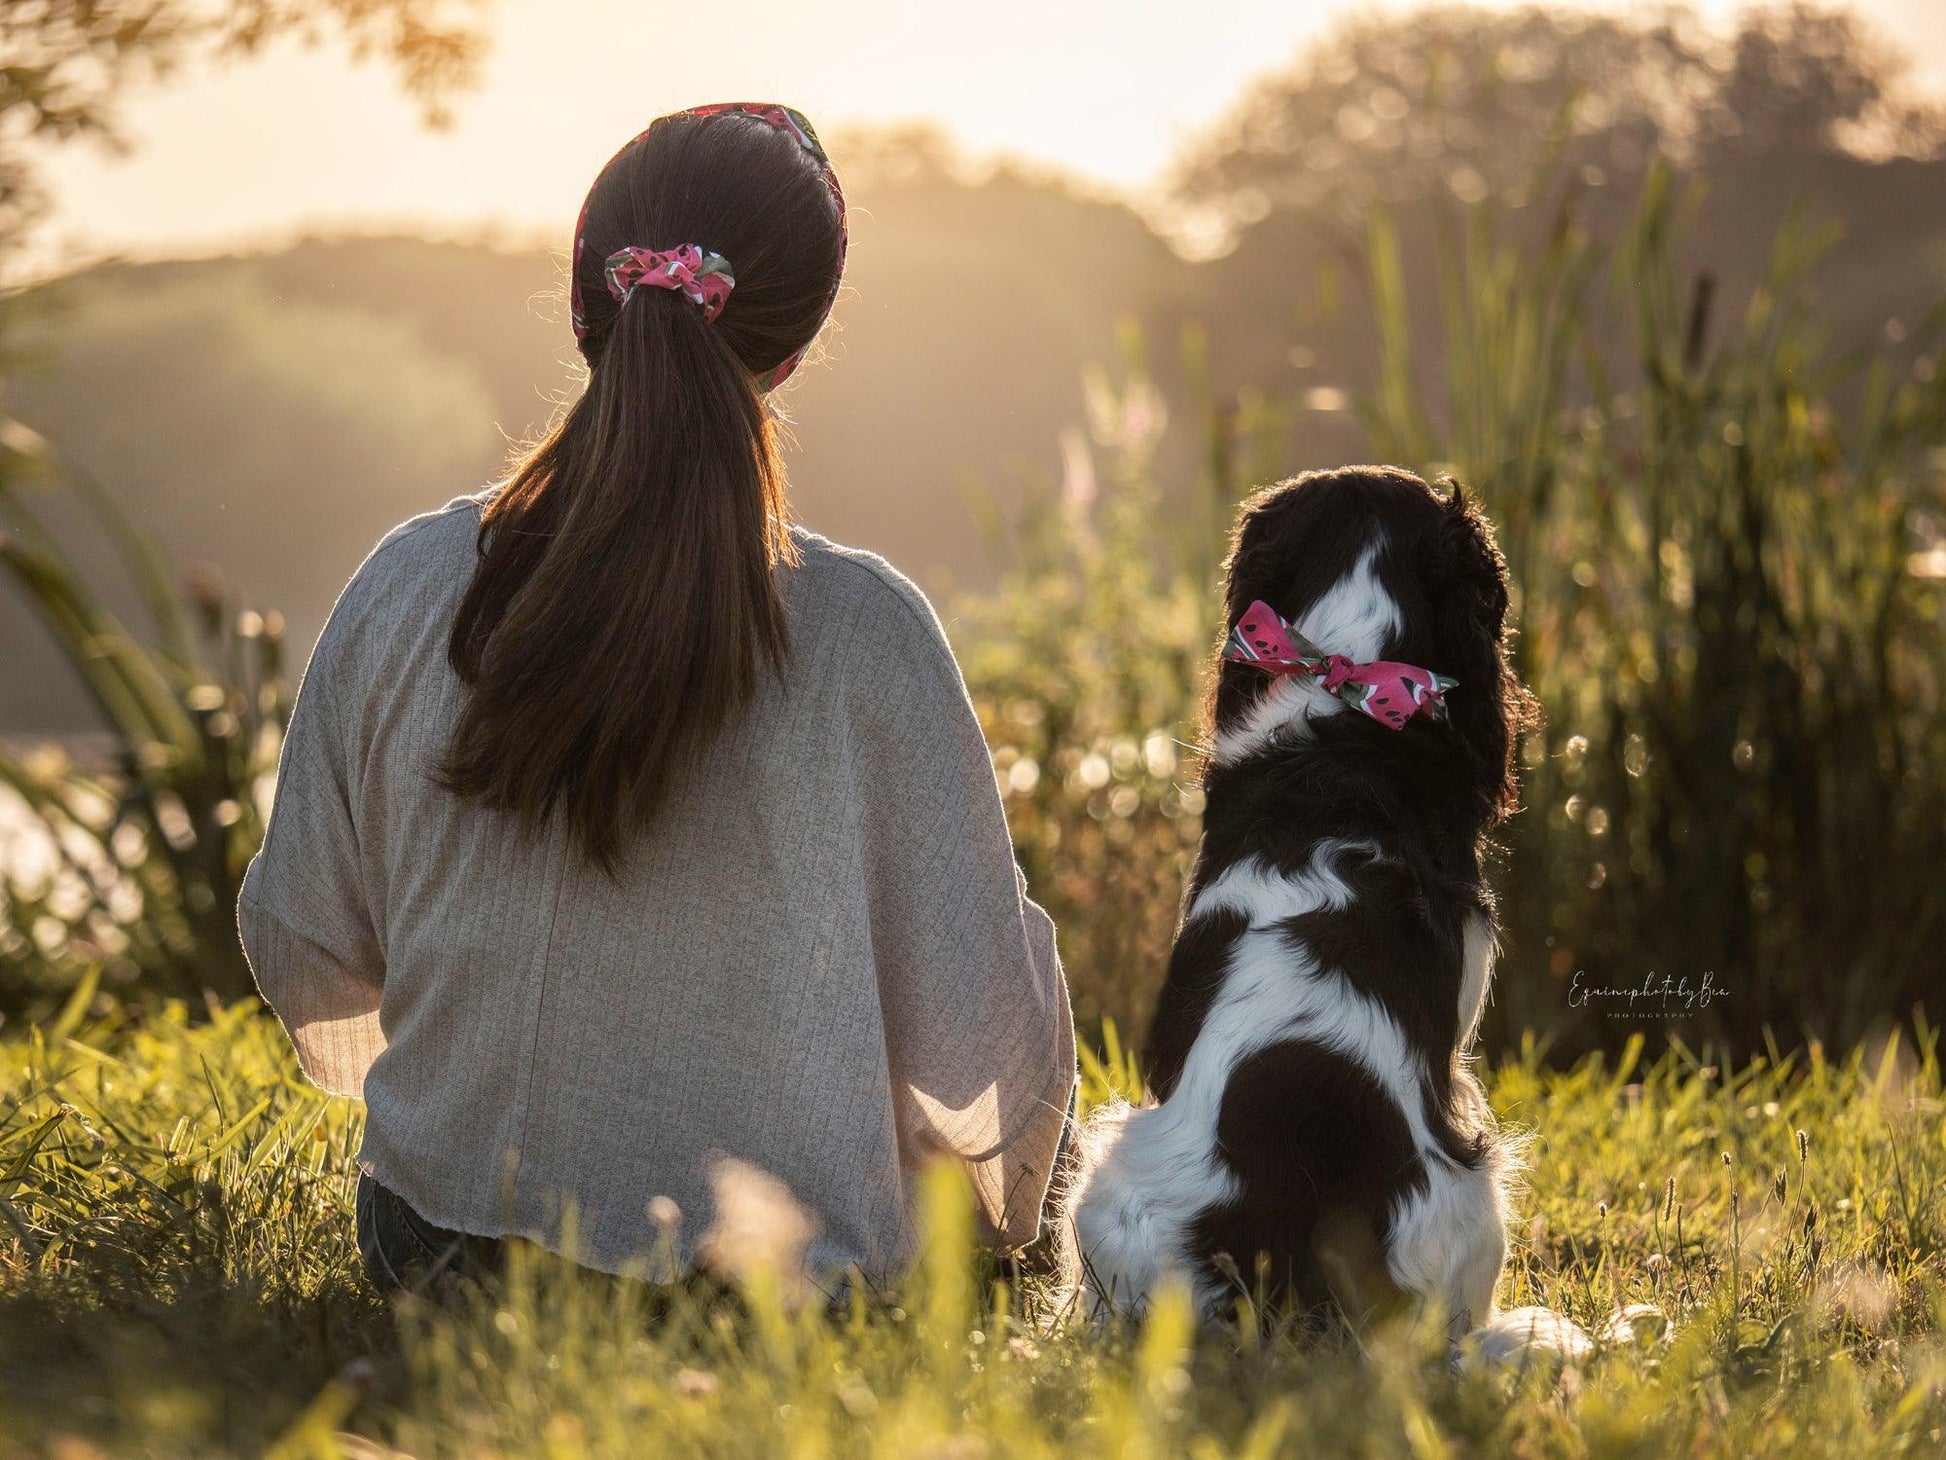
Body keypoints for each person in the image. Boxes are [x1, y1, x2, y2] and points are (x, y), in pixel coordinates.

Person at [237, 103, 1076, 1296]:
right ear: (789, 347)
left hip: (435, 1246)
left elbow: (304, 936)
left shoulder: (407, 583)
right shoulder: (867, 636)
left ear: (587, 304)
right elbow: (987, 1058)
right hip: (769, 1292)